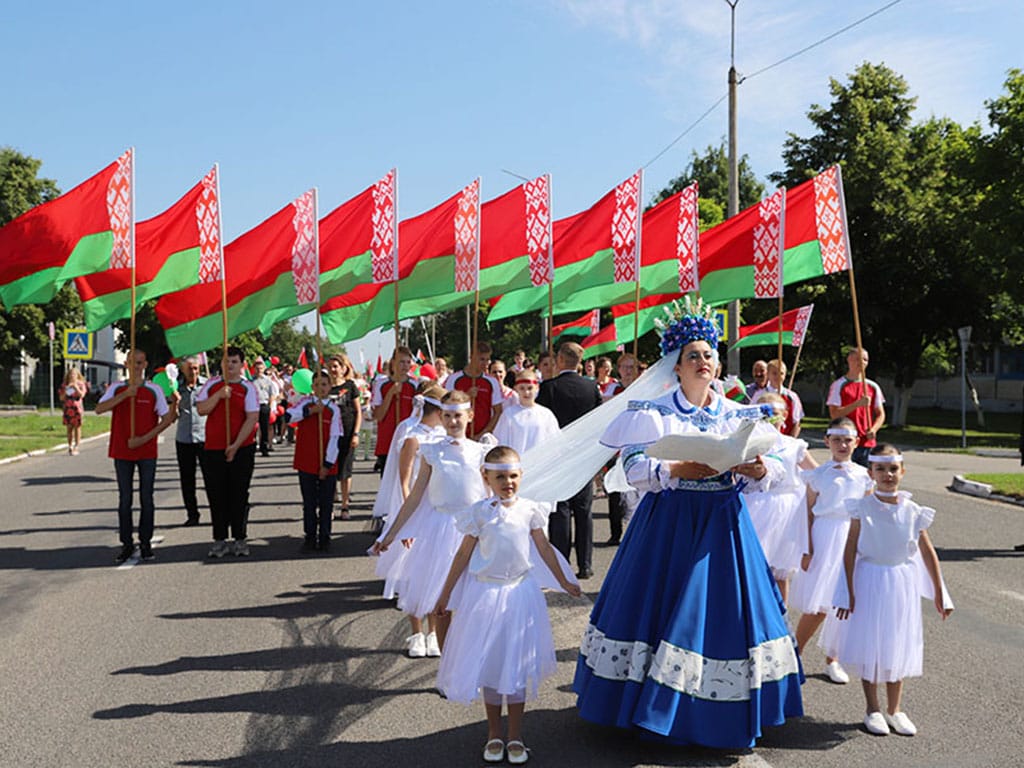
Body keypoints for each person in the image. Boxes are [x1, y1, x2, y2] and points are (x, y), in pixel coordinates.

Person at [573, 299, 803, 748]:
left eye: (709, 355)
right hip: (670, 525)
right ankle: (653, 712)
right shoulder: (655, 411)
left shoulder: (739, 412)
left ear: (718, 365)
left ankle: (717, 716)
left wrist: (756, 469)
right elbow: (632, 465)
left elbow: (777, 464)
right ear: (675, 367)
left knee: (724, 617)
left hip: (724, 524)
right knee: (660, 610)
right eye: (693, 356)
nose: (703, 362)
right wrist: (675, 469)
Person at [434, 445, 582, 765]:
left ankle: (515, 734)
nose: (508, 482)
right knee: (491, 666)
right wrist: (445, 594)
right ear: (486, 478)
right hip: (485, 596)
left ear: (521, 476)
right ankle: (493, 733)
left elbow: (543, 549)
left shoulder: (530, 509)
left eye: (513, 476)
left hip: (520, 595)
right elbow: (462, 555)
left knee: (515, 666)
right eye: (500, 477)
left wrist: (563, 580)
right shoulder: (478, 512)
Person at [822, 444, 953, 736]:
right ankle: (873, 708)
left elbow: (927, 551)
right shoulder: (861, 507)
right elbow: (850, 549)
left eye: (893, 469)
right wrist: (847, 590)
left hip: (900, 583)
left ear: (902, 472)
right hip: (870, 579)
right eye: (880, 469)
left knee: (897, 643)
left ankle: (895, 709)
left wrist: (940, 591)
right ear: (871, 473)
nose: (887, 474)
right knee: (871, 643)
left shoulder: (913, 510)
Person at [372, 390, 492, 658]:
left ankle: (467, 657)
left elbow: (490, 495)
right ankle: (446, 659)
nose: (452, 421)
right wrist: (390, 534)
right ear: (440, 415)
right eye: (447, 415)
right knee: (443, 599)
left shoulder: (481, 452)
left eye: (458, 416)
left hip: (472, 530)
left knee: (472, 599)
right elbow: (415, 497)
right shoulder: (430, 452)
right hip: (439, 530)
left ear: (469, 416)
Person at [790, 418, 872, 685]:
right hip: (825, 537)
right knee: (819, 604)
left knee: (843, 604)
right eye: (837, 440)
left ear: (856, 442)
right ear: (827, 442)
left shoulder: (863, 476)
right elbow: (807, 514)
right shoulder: (818, 475)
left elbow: (869, 513)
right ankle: (795, 653)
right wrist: (807, 548)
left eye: (848, 440)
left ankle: (832, 659)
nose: (842, 445)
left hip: (852, 539)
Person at [95, 350, 177, 563]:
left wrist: (144, 438)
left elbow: (166, 419)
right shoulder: (117, 388)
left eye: (140, 362)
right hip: (122, 451)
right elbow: (99, 409)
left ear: (146, 364)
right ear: (126, 364)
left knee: (146, 497)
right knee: (125, 499)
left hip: (146, 451)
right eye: (133, 362)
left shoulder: (154, 390)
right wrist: (124, 395)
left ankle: (146, 542)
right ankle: (126, 543)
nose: (137, 366)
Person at [536, 342, 602, 579]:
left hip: (558, 457)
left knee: (561, 511)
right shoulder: (591, 387)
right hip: (583, 456)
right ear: (580, 363)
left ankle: (562, 562)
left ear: (560, 361)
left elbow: (541, 422)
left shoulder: (549, 387)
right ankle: (585, 564)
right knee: (584, 511)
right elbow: (598, 423)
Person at [745, 392, 818, 604]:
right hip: (755, 506)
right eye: (764, 415)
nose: (770, 420)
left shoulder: (793, 445)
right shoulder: (749, 445)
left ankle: (781, 618)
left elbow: (816, 475)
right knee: (753, 567)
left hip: (786, 512)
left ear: (785, 416)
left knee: (780, 571)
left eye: (775, 414)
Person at [196, 346, 260, 558]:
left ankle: (240, 538)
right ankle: (219, 539)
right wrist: (219, 397)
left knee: (239, 494)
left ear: (242, 365)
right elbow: (202, 408)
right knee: (216, 494)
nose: (230, 365)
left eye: (234, 362)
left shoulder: (248, 388)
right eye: (226, 361)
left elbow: (251, 418)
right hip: (213, 449)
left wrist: (235, 445)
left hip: (242, 449)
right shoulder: (212, 385)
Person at [288, 370, 342, 553]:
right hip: (306, 462)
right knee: (309, 503)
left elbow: (335, 437)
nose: (321, 388)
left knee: (326, 504)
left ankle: (325, 536)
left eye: (324, 384)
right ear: (312, 387)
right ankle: (310, 536)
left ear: (330, 387)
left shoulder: (334, 409)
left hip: (326, 464)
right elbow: (289, 417)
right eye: (317, 385)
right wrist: (310, 412)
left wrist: (327, 464)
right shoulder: (304, 403)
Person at [827, 347, 885, 466]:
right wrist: (857, 404)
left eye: (865, 360)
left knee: (867, 480)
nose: (862, 362)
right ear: (849, 360)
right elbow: (834, 414)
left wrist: (874, 429)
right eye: (858, 359)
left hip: (866, 442)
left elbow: (880, 414)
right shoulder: (839, 385)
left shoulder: (872, 386)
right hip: (845, 442)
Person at [371, 347, 418, 475]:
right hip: (388, 442)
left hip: (408, 440)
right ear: (393, 362)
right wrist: (391, 393)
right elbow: (378, 416)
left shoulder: (415, 385)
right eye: (402, 362)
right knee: (388, 483)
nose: (405, 366)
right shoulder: (381, 384)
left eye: (408, 362)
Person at [492, 369, 560, 455]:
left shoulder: (546, 414)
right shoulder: (509, 414)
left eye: (530, 388)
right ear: (516, 389)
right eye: (522, 388)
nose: (526, 392)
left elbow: (554, 442)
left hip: (541, 462)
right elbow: (502, 442)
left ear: (537, 388)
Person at [327, 354, 362, 519]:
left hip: (348, 433)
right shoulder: (325, 387)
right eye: (330, 366)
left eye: (336, 366)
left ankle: (345, 505)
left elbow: (358, 412)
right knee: (330, 469)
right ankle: (330, 503)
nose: (333, 370)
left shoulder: (350, 386)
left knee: (345, 471)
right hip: (331, 435)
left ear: (343, 368)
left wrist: (356, 433)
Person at [174, 356, 208, 526]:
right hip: (184, 438)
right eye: (190, 369)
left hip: (205, 437)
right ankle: (192, 514)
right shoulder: (177, 388)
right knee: (187, 480)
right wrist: (174, 402)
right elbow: (171, 416)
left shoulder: (207, 385)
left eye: (196, 368)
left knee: (211, 478)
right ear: (183, 370)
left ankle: (218, 513)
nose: (193, 372)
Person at [446, 341, 504, 438]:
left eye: (488, 359)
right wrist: (466, 396)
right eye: (482, 359)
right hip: (458, 435)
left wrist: (484, 433)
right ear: (472, 357)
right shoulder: (454, 379)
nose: (486, 363)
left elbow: (498, 411)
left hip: (483, 437)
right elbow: (446, 406)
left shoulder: (492, 382)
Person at [765, 359, 804, 437]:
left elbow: (796, 422)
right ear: (768, 374)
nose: (778, 376)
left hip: (785, 437)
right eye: (774, 373)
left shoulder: (791, 396)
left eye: (781, 373)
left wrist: (791, 441)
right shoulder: (760, 395)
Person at [250, 358, 279, 457]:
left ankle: (264, 447)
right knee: (252, 428)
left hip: (264, 405)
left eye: (261, 368)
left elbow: (272, 395)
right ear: (254, 369)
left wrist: (270, 406)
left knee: (264, 427)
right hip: (253, 406)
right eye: (257, 368)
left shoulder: (268, 381)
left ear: (263, 369)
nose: (259, 370)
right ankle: (252, 446)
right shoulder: (250, 380)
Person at [60, 367, 88, 455]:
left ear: (77, 375)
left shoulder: (81, 384)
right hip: (68, 408)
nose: (72, 376)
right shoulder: (65, 385)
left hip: (77, 408)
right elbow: (61, 398)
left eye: (74, 374)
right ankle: (70, 445)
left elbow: (82, 395)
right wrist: (66, 390)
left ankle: (77, 445)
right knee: (69, 427)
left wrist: (76, 388)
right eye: (71, 374)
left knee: (77, 427)